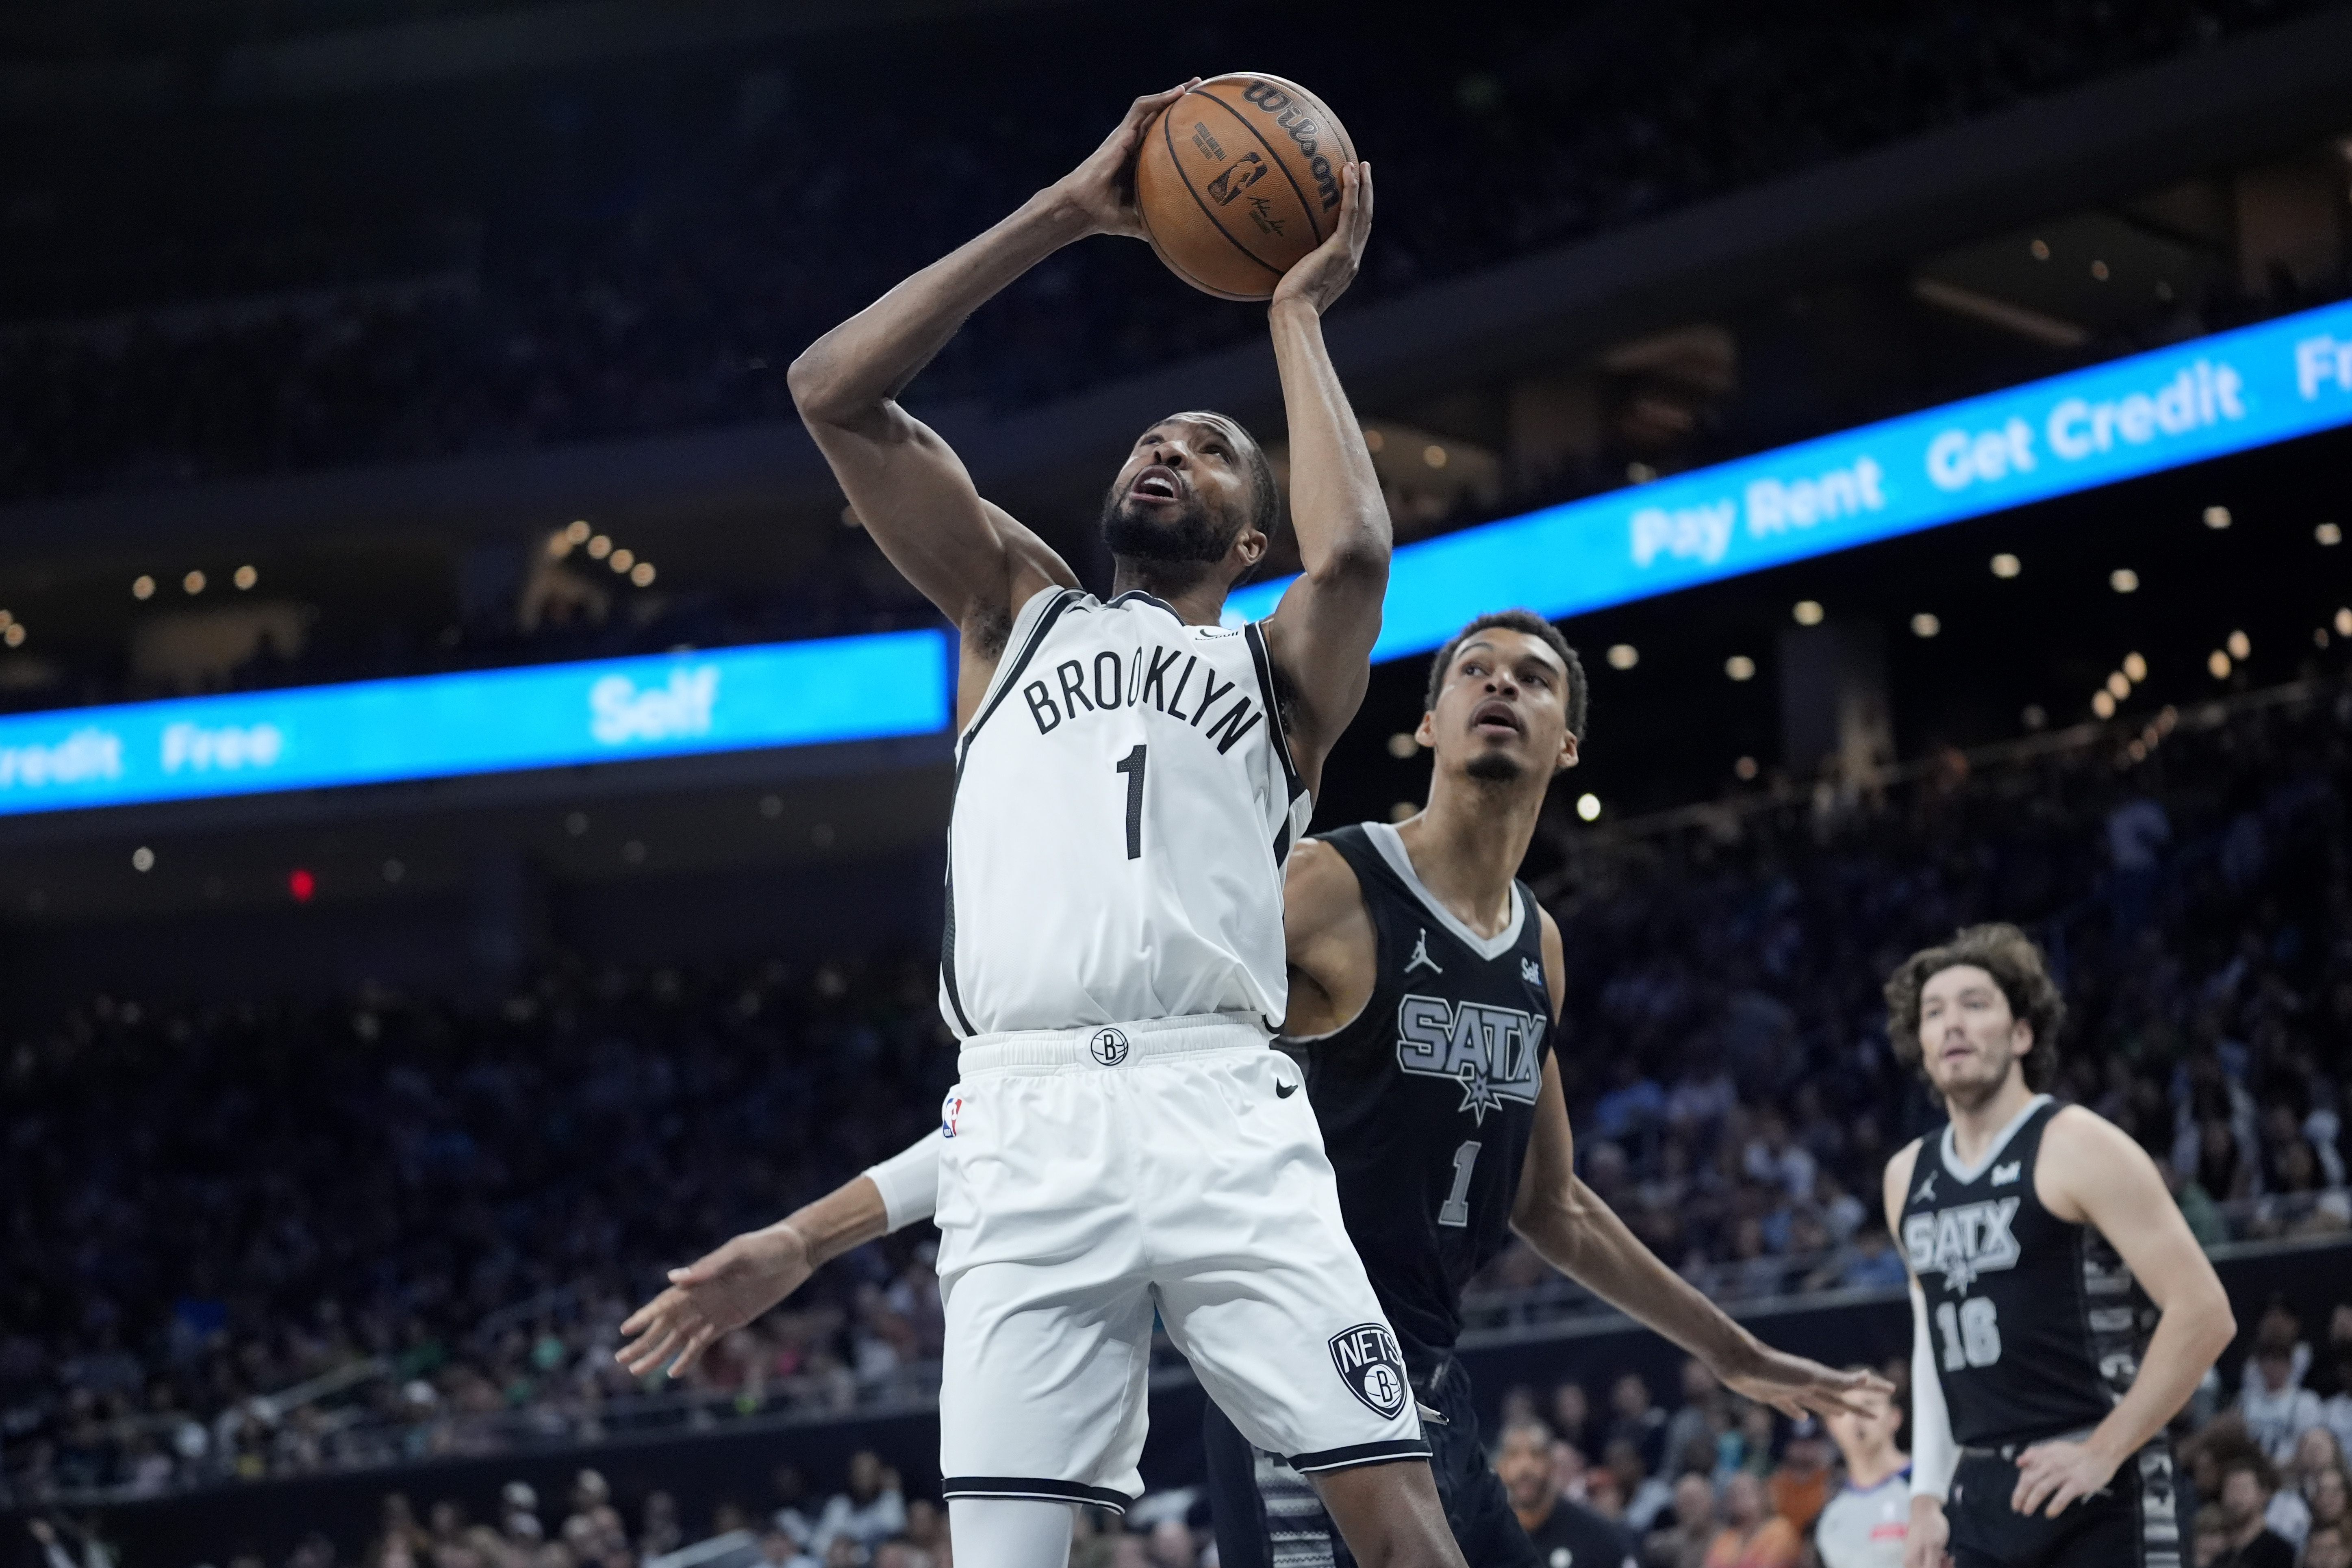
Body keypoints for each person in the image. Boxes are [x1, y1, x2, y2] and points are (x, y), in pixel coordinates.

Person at [616, 80, 1462, 1568]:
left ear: (1247, 534)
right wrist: (1068, 213)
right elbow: (832, 391)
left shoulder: (1272, 673)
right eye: (1151, 440)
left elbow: (1358, 550)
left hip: (1219, 1102)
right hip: (1017, 1116)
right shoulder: (1013, 608)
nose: (1164, 453)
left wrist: (1297, 313)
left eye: (1207, 451)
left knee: (1397, 1526)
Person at [1201, 611, 1880, 1568]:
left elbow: (1550, 1205)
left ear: (1565, 742)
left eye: (1531, 676)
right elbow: (1166, 1041)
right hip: (1296, 1355)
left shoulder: (1537, 947)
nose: (1500, 685)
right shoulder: (1328, 883)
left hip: (1428, 1373)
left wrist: (1731, 1351)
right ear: (1428, 723)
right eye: (1473, 671)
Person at [1883, 925, 2239, 1568]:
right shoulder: (1905, 1176)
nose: (1949, 1024)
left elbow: (2203, 1312)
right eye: (1932, 1012)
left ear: (2021, 1033)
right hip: (1983, 1491)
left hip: (2100, 1478)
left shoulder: (2077, 1143)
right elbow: (1928, 1345)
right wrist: (1926, 1494)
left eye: (1973, 1003)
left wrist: (2104, 1448)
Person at [1495, 1417, 1636, 1568]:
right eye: (1513, 1455)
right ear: (1500, 1466)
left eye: (1536, 1454)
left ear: (1552, 1464)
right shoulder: (1486, 1538)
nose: (1525, 1467)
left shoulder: (1596, 1534)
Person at [1814, 1372, 1908, 1568]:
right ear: (1832, 1426)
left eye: (1869, 1404)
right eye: (1844, 1409)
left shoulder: (1932, 1485)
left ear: (1895, 1418)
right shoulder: (1832, 1520)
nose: (1857, 1416)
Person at [1702, 1472, 1800, 1568]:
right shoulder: (1726, 1539)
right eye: (1733, 1494)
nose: (1738, 1498)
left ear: (1761, 1496)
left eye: (1744, 1492)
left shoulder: (1781, 1530)